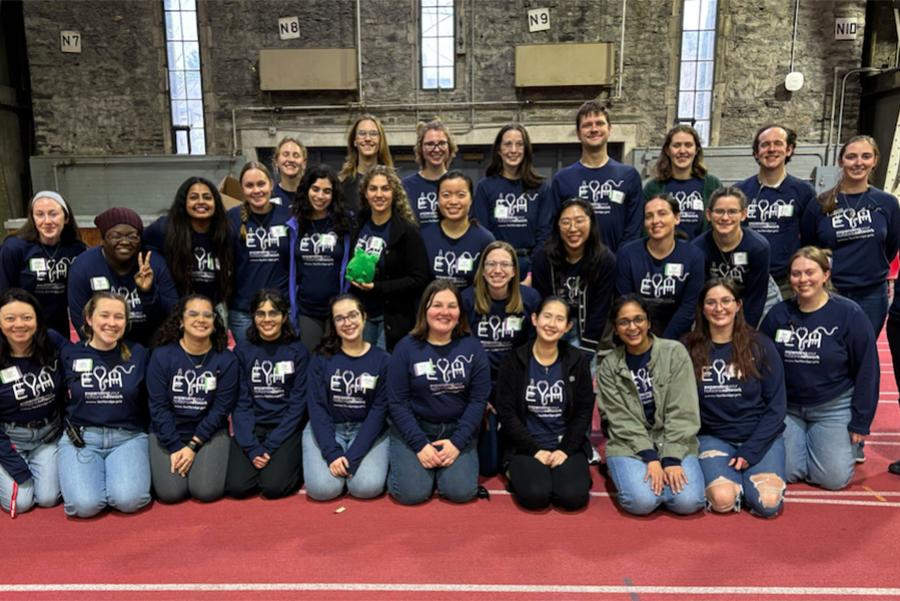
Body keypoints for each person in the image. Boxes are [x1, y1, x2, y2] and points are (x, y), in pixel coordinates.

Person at [759, 247, 878, 490]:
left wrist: (860, 421)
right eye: (796, 274)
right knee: (787, 472)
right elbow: (761, 362)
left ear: (825, 274)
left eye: (810, 272)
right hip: (789, 408)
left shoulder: (849, 313)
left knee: (832, 480)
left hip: (833, 407)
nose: (803, 280)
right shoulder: (779, 314)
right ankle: (808, 445)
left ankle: (841, 445)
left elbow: (868, 369)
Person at [684, 279, 787, 518]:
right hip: (712, 437)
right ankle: (734, 483)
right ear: (702, 308)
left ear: (738, 305)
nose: (719, 308)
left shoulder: (760, 345)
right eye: (711, 302)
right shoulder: (687, 347)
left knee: (768, 503)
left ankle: (752, 479)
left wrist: (751, 450)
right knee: (722, 501)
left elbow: (777, 406)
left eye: (726, 301)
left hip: (759, 435)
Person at [597, 294, 705, 516]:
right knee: (642, 502)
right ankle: (622, 469)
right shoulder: (608, 366)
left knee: (688, 502)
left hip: (672, 438)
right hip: (629, 443)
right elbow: (620, 419)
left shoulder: (674, 352)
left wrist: (672, 458)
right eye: (624, 322)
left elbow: (683, 410)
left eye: (638, 319)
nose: (632, 327)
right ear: (616, 328)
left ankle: (645, 475)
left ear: (648, 322)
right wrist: (651, 458)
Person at [387, 280, 490, 505]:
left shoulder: (473, 347)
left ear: (460, 312)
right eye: (437, 305)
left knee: (460, 493)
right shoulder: (406, 347)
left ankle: (438, 473)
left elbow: (478, 400)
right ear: (425, 310)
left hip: (457, 429)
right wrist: (419, 445)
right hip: (416, 427)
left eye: (452, 306)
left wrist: (458, 442)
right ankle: (414, 469)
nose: (444, 312)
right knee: (411, 494)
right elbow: (397, 403)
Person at [57, 292, 152, 518]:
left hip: (127, 438)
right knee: (84, 506)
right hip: (81, 439)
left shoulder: (139, 354)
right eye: (104, 315)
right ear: (89, 319)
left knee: (129, 501)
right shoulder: (70, 353)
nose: (112, 323)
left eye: (119, 317)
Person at [495, 296, 593, 511]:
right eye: (547, 316)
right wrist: (534, 450)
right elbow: (507, 412)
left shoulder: (577, 361)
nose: (551, 324)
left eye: (559, 319)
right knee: (536, 497)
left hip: (564, 444)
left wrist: (565, 450)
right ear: (534, 319)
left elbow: (584, 411)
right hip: (526, 445)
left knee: (572, 498)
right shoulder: (513, 360)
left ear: (567, 327)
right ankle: (514, 469)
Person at [801, 135, 899, 336]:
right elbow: (810, 251)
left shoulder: (887, 203)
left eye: (865, 156)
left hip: (872, 294)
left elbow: (890, 247)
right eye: (852, 157)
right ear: (841, 161)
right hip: (830, 291)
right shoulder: (819, 204)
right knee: (830, 351)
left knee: (863, 352)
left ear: (875, 161)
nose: (858, 163)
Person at [147, 294, 238, 503]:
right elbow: (158, 407)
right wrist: (174, 446)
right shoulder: (161, 356)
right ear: (180, 321)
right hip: (169, 431)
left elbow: (221, 410)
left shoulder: (226, 359)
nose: (201, 319)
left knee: (205, 492)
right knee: (171, 494)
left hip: (209, 432)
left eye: (208, 315)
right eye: (193, 314)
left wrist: (193, 446)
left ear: (215, 323)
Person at [462, 241, 540, 476]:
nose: (498, 270)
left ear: (515, 270)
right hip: (479, 384)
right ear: (482, 270)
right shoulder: (467, 299)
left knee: (511, 451)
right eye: (491, 264)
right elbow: (460, 351)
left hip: (513, 384)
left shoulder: (530, 298)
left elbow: (533, 350)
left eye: (505, 264)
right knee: (488, 466)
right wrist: (477, 396)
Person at [303, 295, 391, 500]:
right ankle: (334, 465)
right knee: (323, 490)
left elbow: (379, 412)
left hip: (367, 429)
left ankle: (348, 466)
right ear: (333, 324)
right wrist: (332, 453)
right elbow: (317, 407)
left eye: (353, 315)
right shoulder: (321, 358)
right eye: (340, 318)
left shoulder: (384, 360)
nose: (348, 322)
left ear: (364, 317)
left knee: (365, 488)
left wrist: (354, 456)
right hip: (329, 427)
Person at [226, 290, 307, 500]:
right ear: (253, 317)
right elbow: (240, 403)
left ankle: (289, 466)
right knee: (237, 487)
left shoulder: (298, 351)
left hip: (284, 428)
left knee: (273, 487)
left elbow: (297, 406)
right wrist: (252, 447)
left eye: (273, 313)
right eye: (261, 314)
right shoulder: (243, 352)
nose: (267, 319)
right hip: (253, 427)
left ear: (284, 316)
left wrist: (270, 446)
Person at [67, 207, 178, 347]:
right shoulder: (83, 266)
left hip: (151, 346)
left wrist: (148, 293)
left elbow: (172, 314)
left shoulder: (154, 263)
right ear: (102, 239)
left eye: (132, 236)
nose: (125, 241)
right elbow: (80, 319)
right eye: (116, 236)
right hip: (104, 348)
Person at [349, 165, 429, 351]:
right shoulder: (357, 226)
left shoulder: (407, 231)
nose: (379, 194)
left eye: (385, 188)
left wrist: (378, 287)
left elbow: (419, 279)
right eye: (373, 188)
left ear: (394, 193)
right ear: (365, 194)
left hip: (393, 317)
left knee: (384, 370)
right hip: (362, 314)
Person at [736, 124, 816, 303]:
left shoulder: (804, 192)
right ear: (756, 153)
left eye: (778, 144)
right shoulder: (739, 191)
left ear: (789, 149)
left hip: (786, 283)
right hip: (745, 279)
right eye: (765, 145)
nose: (771, 149)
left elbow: (811, 241)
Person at [549, 100, 643, 252]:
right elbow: (553, 228)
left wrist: (622, 261)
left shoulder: (629, 176)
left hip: (617, 267)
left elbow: (634, 229)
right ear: (578, 133)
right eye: (587, 125)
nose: (594, 129)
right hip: (574, 266)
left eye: (599, 123)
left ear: (609, 129)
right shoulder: (562, 179)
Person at [0, 289, 63, 516]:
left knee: (47, 498)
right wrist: (16, 467)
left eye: (27, 318)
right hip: (10, 439)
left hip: (47, 436)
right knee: (23, 503)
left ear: (37, 319)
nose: (19, 325)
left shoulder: (52, 341)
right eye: (9, 318)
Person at [532, 197, 616, 355]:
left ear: (591, 223)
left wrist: (587, 347)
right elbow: (541, 301)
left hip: (590, 330)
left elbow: (601, 308)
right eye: (565, 222)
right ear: (557, 225)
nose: (572, 228)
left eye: (579, 221)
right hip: (554, 327)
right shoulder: (542, 258)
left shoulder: (605, 259)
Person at [616, 194, 705, 340]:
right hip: (635, 336)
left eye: (662, 214)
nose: (655, 221)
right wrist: (644, 340)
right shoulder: (627, 254)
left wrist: (663, 345)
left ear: (677, 218)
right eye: (649, 216)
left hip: (677, 339)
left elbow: (688, 308)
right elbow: (626, 303)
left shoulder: (694, 256)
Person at [287, 164, 354, 351]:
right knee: (311, 365)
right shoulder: (296, 223)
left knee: (337, 366)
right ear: (307, 190)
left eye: (327, 191)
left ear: (334, 195)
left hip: (339, 310)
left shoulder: (345, 222)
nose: (320, 196)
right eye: (315, 189)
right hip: (307, 310)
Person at [473, 123, 553, 279]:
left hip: (529, 264)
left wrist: (531, 271)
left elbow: (545, 235)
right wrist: (496, 265)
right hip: (495, 267)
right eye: (508, 144)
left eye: (519, 144)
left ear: (526, 149)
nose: (513, 150)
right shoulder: (485, 187)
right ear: (499, 150)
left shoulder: (541, 188)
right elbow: (481, 232)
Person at [0, 191, 85, 335]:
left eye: (53, 214)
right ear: (32, 219)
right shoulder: (14, 248)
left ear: (66, 218)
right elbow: (3, 291)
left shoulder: (77, 250)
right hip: (23, 328)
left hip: (59, 328)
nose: (47, 221)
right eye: (40, 214)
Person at [142, 176, 234, 307]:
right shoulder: (164, 229)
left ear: (216, 203)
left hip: (211, 309)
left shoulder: (226, 231)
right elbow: (141, 248)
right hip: (175, 309)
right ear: (183, 202)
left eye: (207, 197)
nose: (201, 202)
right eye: (194, 197)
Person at [228, 161, 292, 344]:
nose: (256, 190)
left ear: (271, 184)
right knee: (249, 366)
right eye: (249, 185)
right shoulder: (231, 218)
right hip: (243, 311)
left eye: (261, 184)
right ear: (242, 189)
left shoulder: (287, 216)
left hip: (280, 310)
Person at [692, 187, 771, 327]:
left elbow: (756, 298)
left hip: (748, 301)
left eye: (732, 211)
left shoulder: (759, 247)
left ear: (744, 214)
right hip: (712, 308)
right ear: (709, 214)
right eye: (719, 211)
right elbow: (699, 297)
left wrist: (743, 333)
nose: (725, 218)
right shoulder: (697, 249)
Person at [643, 124, 723, 240]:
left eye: (688, 145)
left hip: (702, 255)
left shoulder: (712, 185)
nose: (682, 151)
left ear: (696, 150)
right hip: (664, 255)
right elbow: (645, 228)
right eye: (676, 145)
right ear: (667, 150)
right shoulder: (654, 187)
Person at [421, 171, 495, 290]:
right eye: (446, 195)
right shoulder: (423, 237)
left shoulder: (485, 239)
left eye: (461, 195)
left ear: (471, 199)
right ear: (437, 200)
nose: (453, 201)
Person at [402, 119, 457, 226]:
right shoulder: (406, 186)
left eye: (441, 143)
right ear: (421, 149)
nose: (436, 149)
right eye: (430, 144)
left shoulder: (458, 185)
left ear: (449, 147)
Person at [339, 114, 394, 213]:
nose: (368, 138)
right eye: (362, 133)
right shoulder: (342, 185)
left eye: (373, 134)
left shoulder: (393, 183)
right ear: (354, 141)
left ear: (380, 141)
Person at [271, 137, 307, 206]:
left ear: (304, 163)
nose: (291, 160)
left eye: (296, 155)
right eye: (285, 154)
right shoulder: (268, 197)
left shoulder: (312, 196)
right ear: (276, 162)